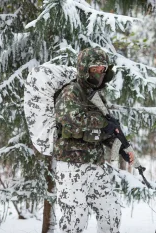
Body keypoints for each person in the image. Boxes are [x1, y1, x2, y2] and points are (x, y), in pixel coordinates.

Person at [54, 47, 134, 233]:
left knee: (111, 212)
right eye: (94, 69)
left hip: (96, 165)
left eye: (102, 69)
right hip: (71, 166)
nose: (99, 73)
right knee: (75, 220)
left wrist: (120, 148)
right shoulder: (71, 91)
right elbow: (69, 117)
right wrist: (102, 122)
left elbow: (106, 132)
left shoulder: (98, 97)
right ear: (84, 69)